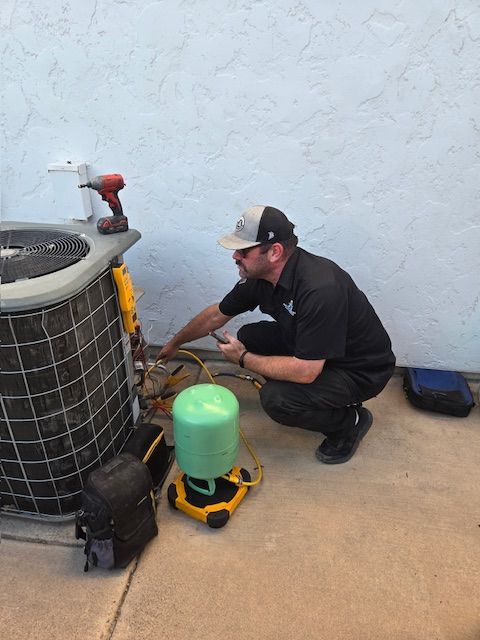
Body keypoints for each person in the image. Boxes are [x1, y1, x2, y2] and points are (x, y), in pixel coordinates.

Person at [159, 205, 395, 464]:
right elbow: (216, 315)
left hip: (358, 370)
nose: (235, 256)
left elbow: (307, 371)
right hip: (314, 348)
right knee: (250, 334)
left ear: (274, 252)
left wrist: (243, 359)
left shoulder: (320, 289)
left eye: (244, 251)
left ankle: (349, 422)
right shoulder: (259, 277)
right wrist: (174, 343)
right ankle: (305, 396)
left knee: (276, 399)